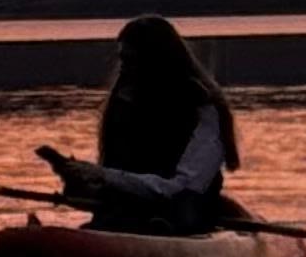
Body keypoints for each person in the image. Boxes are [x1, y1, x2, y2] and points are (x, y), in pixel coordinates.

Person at [36, 15, 243, 235]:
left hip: (184, 220)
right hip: (128, 221)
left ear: (160, 63)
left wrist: (102, 175)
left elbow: (181, 188)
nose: (125, 70)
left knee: (178, 209)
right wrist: (78, 178)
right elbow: (121, 185)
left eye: (133, 62)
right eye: (124, 61)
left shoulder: (203, 110)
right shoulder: (124, 108)